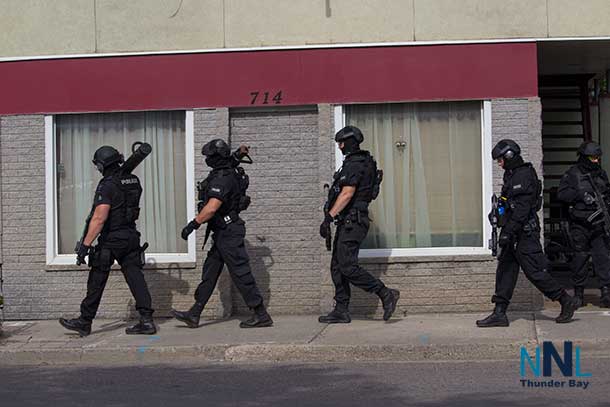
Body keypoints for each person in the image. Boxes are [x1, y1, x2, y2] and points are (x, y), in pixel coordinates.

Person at [171, 139, 273, 328]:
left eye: (210, 157)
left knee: (241, 273)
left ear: (217, 158)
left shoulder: (222, 178)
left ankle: (261, 314)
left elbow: (212, 208)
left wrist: (193, 225)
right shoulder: (227, 169)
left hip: (229, 232)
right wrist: (240, 153)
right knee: (210, 273)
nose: (207, 160)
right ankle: (194, 313)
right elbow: (230, 161)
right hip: (222, 232)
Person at [477, 139, 578, 327]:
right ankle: (500, 313)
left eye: (500, 160)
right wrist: (497, 212)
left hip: (525, 234)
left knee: (535, 273)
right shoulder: (511, 174)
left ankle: (565, 300)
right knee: (505, 272)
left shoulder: (523, 175)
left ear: (509, 156)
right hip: (513, 233)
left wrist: (508, 231)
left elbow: (522, 209)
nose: (499, 164)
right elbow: (508, 202)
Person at [59, 145, 156, 337]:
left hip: (112, 238)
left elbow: (99, 218)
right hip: (130, 236)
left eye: (98, 165)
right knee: (136, 278)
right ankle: (146, 320)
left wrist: (85, 245)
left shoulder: (108, 185)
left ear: (103, 165)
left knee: (97, 278)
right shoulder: (133, 180)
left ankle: (85, 321)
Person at [319, 126, 400, 324]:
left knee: (347, 266)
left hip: (353, 222)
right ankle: (341, 310)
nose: (339, 146)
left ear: (350, 142)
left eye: (341, 142)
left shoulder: (355, 163)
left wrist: (329, 217)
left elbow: (347, 193)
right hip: (349, 221)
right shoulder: (362, 162)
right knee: (337, 267)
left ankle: (386, 293)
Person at [557, 141, 610, 308]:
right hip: (580, 224)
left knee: (603, 258)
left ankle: (606, 291)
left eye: (597, 158)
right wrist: (580, 195)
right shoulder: (572, 174)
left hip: (599, 224)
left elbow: (607, 192)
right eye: (592, 158)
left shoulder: (601, 174)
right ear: (584, 157)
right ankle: (578, 293)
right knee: (580, 258)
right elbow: (562, 194)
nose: (595, 161)